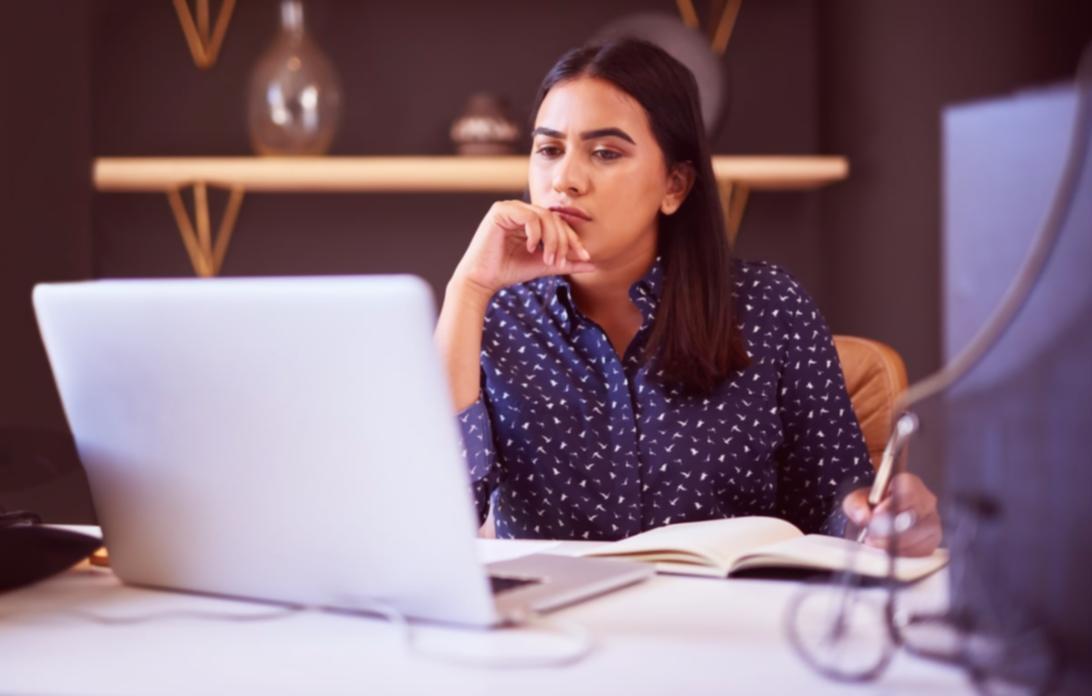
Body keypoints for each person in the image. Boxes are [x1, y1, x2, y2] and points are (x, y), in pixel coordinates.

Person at [435, 39, 941, 556]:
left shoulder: (770, 308)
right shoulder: (496, 317)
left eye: (606, 153)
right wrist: (469, 289)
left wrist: (883, 523)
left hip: (726, 627)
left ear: (674, 185)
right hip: (553, 631)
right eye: (548, 150)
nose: (564, 179)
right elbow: (432, 518)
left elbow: (837, 510)